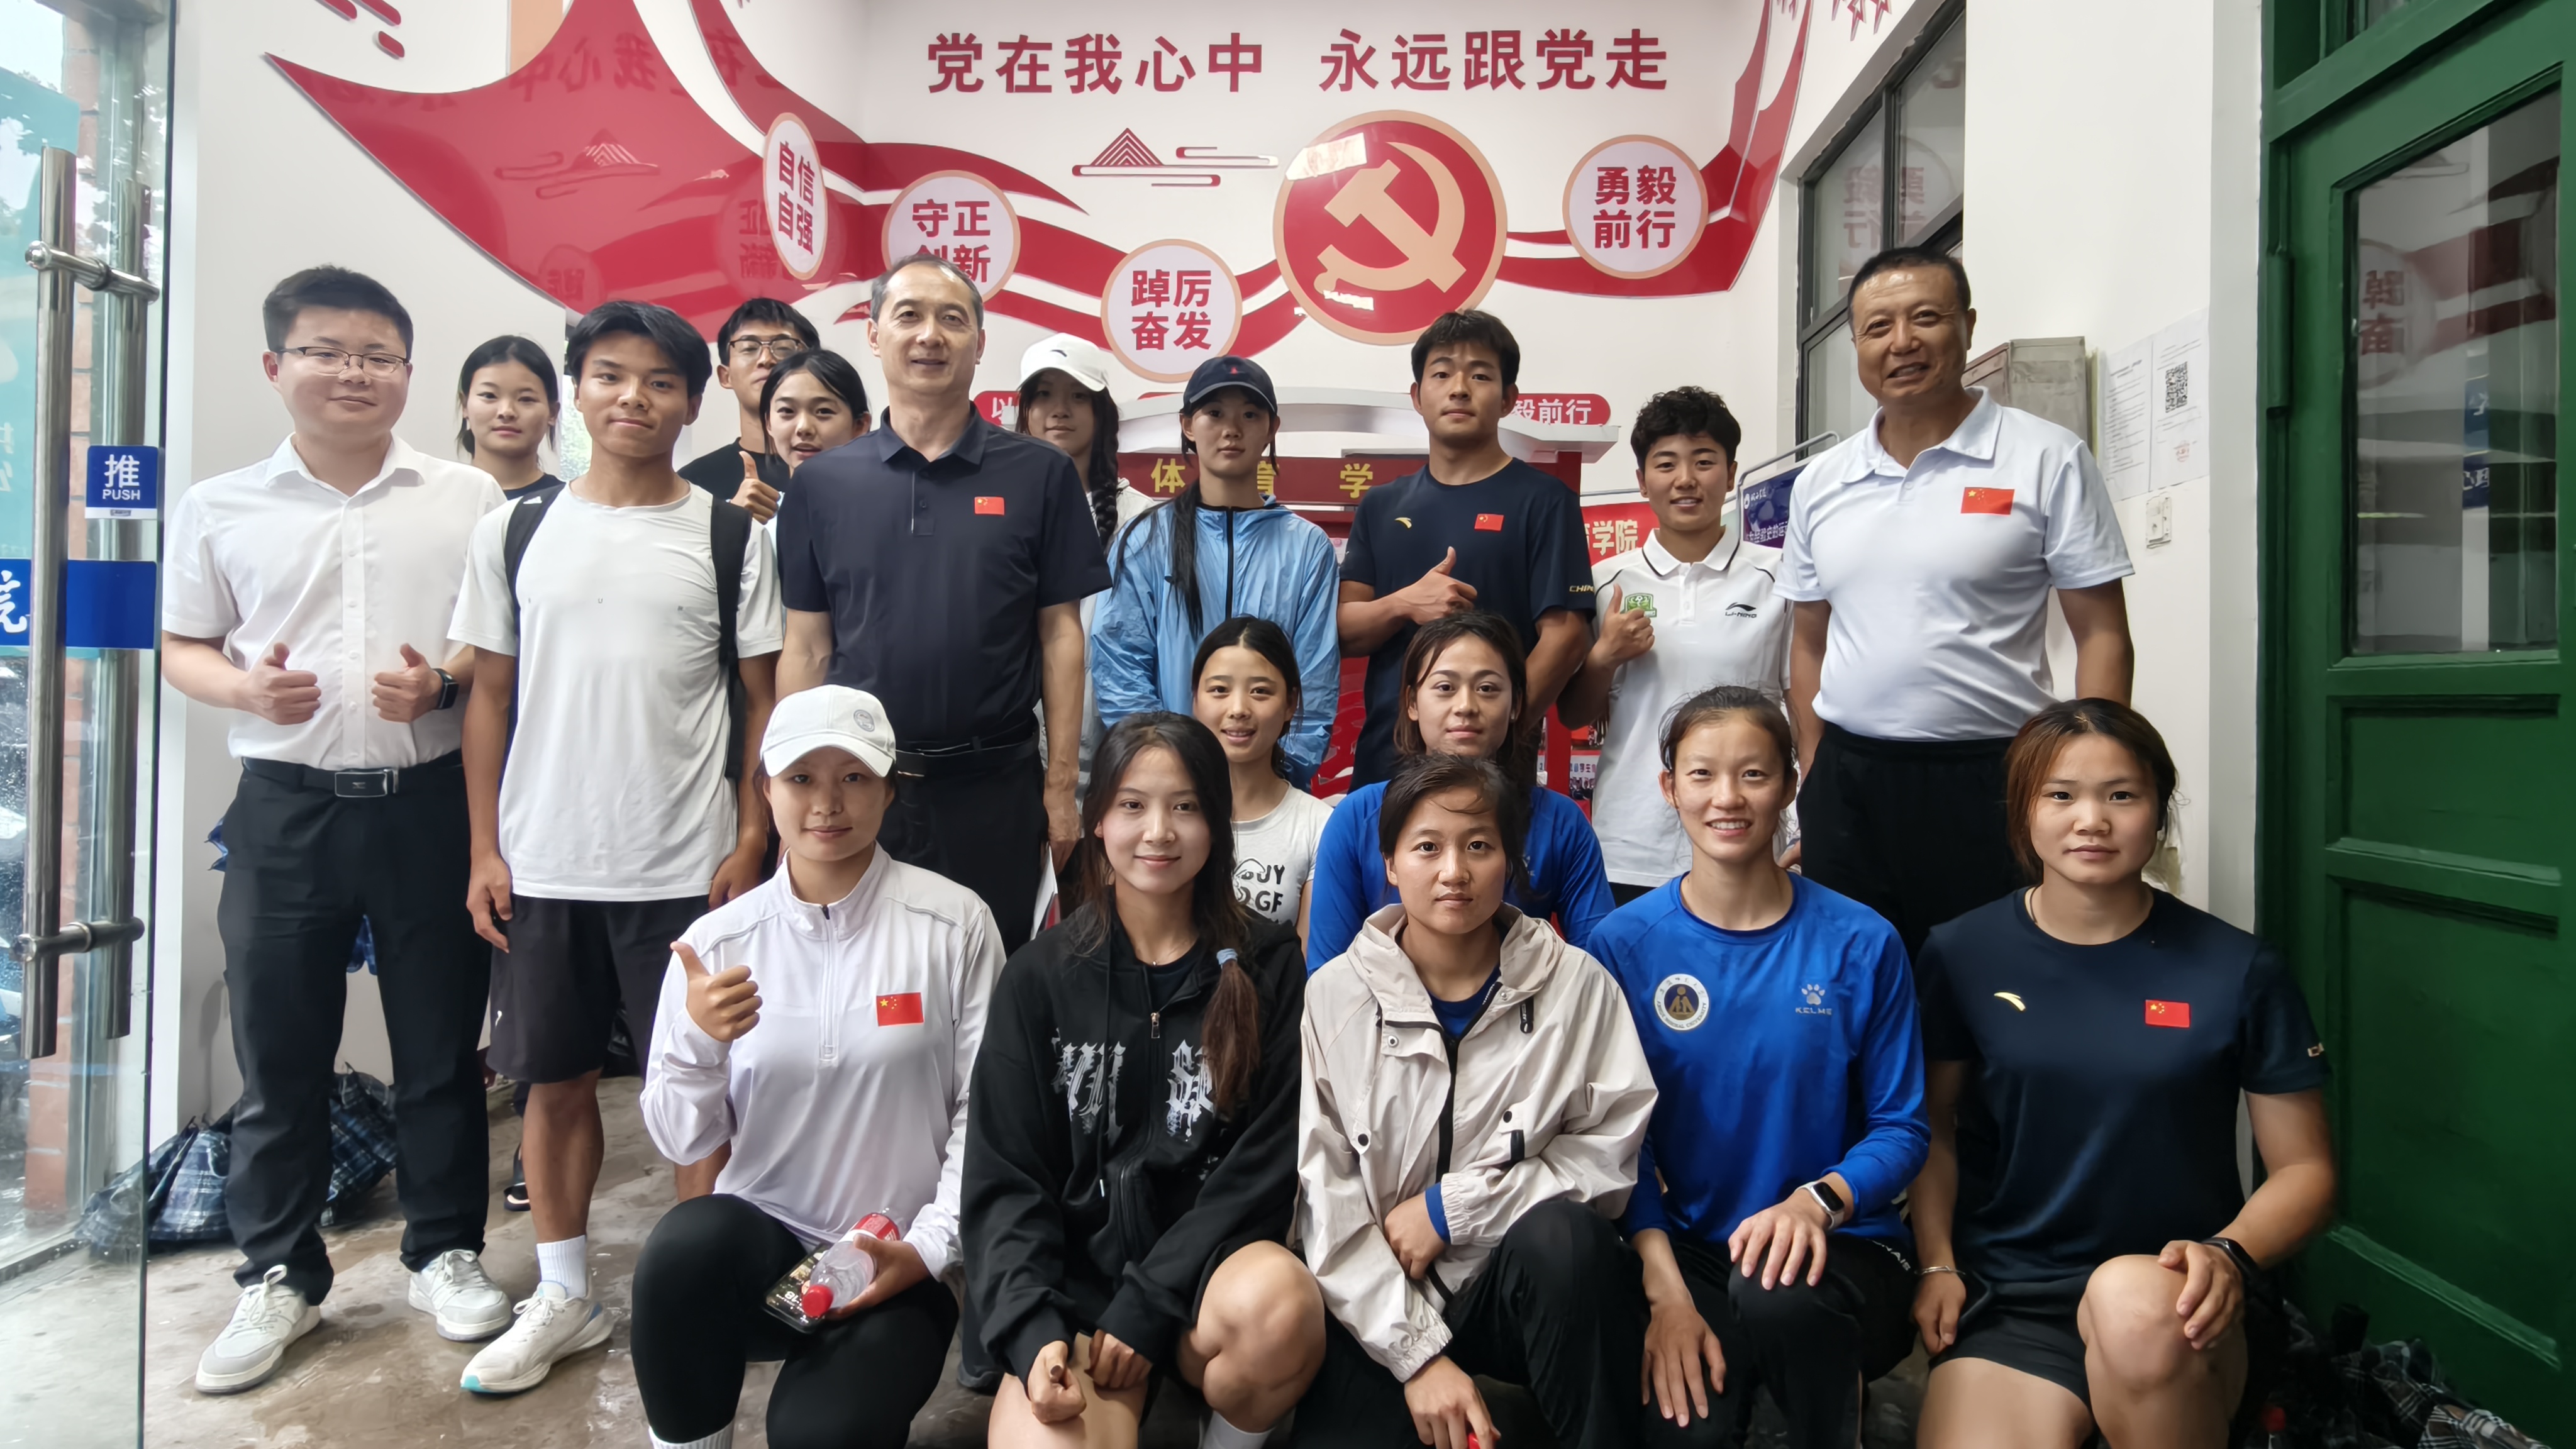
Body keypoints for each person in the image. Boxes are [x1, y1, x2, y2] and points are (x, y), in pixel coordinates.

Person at [162, 267, 509, 1394]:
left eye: (377, 356)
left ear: (408, 373)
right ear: (277, 366)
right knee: (280, 1052)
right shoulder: (220, 505)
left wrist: (442, 684)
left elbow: (494, 644)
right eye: (326, 351)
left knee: (440, 1047)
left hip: (429, 804)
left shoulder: (467, 498)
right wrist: (242, 690)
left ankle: (444, 1249)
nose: (353, 373)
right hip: (286, 809)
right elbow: (182, 644)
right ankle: (279, 1271)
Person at [450, 299, 784, 1396]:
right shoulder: (515, 529)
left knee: (707, 1087)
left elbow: (761, 702)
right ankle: (564, 1292)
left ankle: (702, 1291)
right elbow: (489, 697)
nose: (633, 398)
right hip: (544, 862)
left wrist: (751, 835)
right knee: (552, 1083)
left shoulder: (730, 536)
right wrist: (485, 848)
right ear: (576, 390)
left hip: (688, 867)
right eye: (608, 375)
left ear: (692, 403)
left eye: (659, 381)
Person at [1909, 700, 2336, 1449]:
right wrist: (1937, 1264)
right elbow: (1931, 1128)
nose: (2091, 821)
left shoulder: (2238, 967)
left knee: (2128, 1299)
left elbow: (2306, 1172)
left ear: (2158, 810)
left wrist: (2228, 1254)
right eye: (2061, 795)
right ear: (2024, 810)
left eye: (2121, 795)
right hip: (2014, 1298)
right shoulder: (1960, 953)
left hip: (2182, 1296)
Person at [631, 686, 1001, 1449]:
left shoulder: (954, 924)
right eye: (801, 778)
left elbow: (986, 1113)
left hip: (892, 1261)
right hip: (764, 1251)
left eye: (853, 777)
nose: (827, 803)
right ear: (765, 790)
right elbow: (678, 1137)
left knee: (819, 1434)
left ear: (889, 790)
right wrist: (700, 1042)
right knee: (680, 1252)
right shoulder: (718, 944)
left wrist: (927, 1250)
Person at [964, 714, 1322, 1449]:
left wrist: (1152, 1300)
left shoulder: (1268, 965)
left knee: (1282, 1308)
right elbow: (1006, 1180)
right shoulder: (1038, 978)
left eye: (1185, 806)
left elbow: (1266, 1162)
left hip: (1201, 1288)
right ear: (1098, 820)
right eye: (1132, 805)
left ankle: (1226, 1435)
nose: (1158, 832)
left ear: (1217, 821)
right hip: (1076, 1300)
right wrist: (1033, 1330)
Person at [1586, 687, 1925, 1448]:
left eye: (1753, 775)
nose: (1727, 798)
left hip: (1842, 1243)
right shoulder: (1620, 946)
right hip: (1694, 1254)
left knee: (1779, 1297)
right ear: (1669, 788)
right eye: (1702, 775)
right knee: (1684, 1433)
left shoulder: (1862, 941)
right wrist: (1667, 1295)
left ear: (1790, 785)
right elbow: (1619, 1144)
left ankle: (1826, 1412)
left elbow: (1901, 1127)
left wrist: (1817, 1202)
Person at [1292, 752, 1658, 1449]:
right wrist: (1418, 1357)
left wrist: (1453, 1210)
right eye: (1427, 847)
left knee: (1570, 1241)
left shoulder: (1577, 985)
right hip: (1384, 1295)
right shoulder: (1335, 997)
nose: (1454, 872)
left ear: (1511, 861)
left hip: (1518, 1289)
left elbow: (1608, 1157)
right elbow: (1326, 1197)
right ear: (1390, 863)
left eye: (1479, 847)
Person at [1777, 246, 2136, 957]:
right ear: (1857, 346)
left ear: (1967, 326)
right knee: (1854, 978)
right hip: (1850, 783)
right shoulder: (1821, 481)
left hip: (1997, 774)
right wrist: (1816, 774)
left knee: (1992, 978)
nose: (1902, 342)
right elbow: (1809, 642)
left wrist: (2086, 780)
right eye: (1878, 327)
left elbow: (2102, 634)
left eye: (1926, 318)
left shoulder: (2045, 458)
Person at [776, 255, 1109, 955]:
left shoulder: (1040, 475)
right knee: (865, 975)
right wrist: (792, 783)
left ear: (979, 344)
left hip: (996, 786)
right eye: (909, 316)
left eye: (952, 319)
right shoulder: (822, 485)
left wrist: (1060, 790)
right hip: (861, 783)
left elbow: (1061, 637)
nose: (930, 335)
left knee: (993, 976)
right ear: (874, 335)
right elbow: (806, 647)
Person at [1335, 310, 1595, 788]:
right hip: (1385, 769)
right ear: (1417, 396)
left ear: (1508, 399)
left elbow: (1566, 638)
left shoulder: (1545, 501)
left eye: (1479, 375)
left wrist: (1497, 737)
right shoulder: (1381, 504)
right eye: (1441, 374)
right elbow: (1346, 630)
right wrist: (1403, 604)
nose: (1459, 389)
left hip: (1495, 779)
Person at [1558, 389, 1792, 904]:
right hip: (1632, 839)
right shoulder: (1606, 582)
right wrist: (1605, 657)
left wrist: (1804, 820)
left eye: (1704, 462)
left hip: (1745, 834)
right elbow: (1573, 713)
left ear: (1730, 475)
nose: (1686, 479)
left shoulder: (1779, 577)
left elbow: (1803, 707)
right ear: (1643, 481)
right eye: (1666, 464)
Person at [1305, 611, 1614, 970]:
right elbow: (1329, 971)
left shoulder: (1561, 822)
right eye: (1445, 688)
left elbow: (1597, 967)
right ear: (1412, 702)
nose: (1466, 706)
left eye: (1487, 688)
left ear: (1515, 705)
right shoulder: (1357, 817)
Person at [1092, 355, 1340, 783]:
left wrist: (1280, 777)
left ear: (1272, 428)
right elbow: (1121, 665)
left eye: (1250, 414)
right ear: (1188, 425)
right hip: (1170, 784)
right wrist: (1162, 767)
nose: (1232, 429)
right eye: (1215, 413)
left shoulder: (1306, 546)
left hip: (1268, 785)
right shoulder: (1146, 538)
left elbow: (1314, 677)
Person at [1191, 616, 1336, 942]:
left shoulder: (1320, 827)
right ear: (1195, 699)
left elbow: (1307, 962)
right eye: (1219, 690)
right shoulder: (1162, 814)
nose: (1238, 709)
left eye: (1260, 691)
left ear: (1290, 704)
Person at [680, 296, 816, 509]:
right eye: (749, 348)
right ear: (726, 376)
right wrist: (731, 522)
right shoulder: (692, 484)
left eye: (783, 348)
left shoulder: (849, 472)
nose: (766, 359)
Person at [1016, 332, 1137, 545]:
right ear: (1026, 410)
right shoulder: (997, 505)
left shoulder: (1140, 515)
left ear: (1100, 412)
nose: (1060, 410)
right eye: (1044, 393)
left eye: (1078, 396)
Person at [456, 334, 562, 494]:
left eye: (526, 399)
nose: (506, 412)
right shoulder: (440, 497)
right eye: (489, 396)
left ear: (552, 413)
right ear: (465, 406)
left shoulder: (564, 503)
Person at [757, 346, 870, 492]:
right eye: (787, 411)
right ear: (768, 423)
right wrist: (735, 508)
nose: (803, 428)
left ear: (859, 426)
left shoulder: (882, 504)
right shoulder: (755, 507)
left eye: (823, 411)